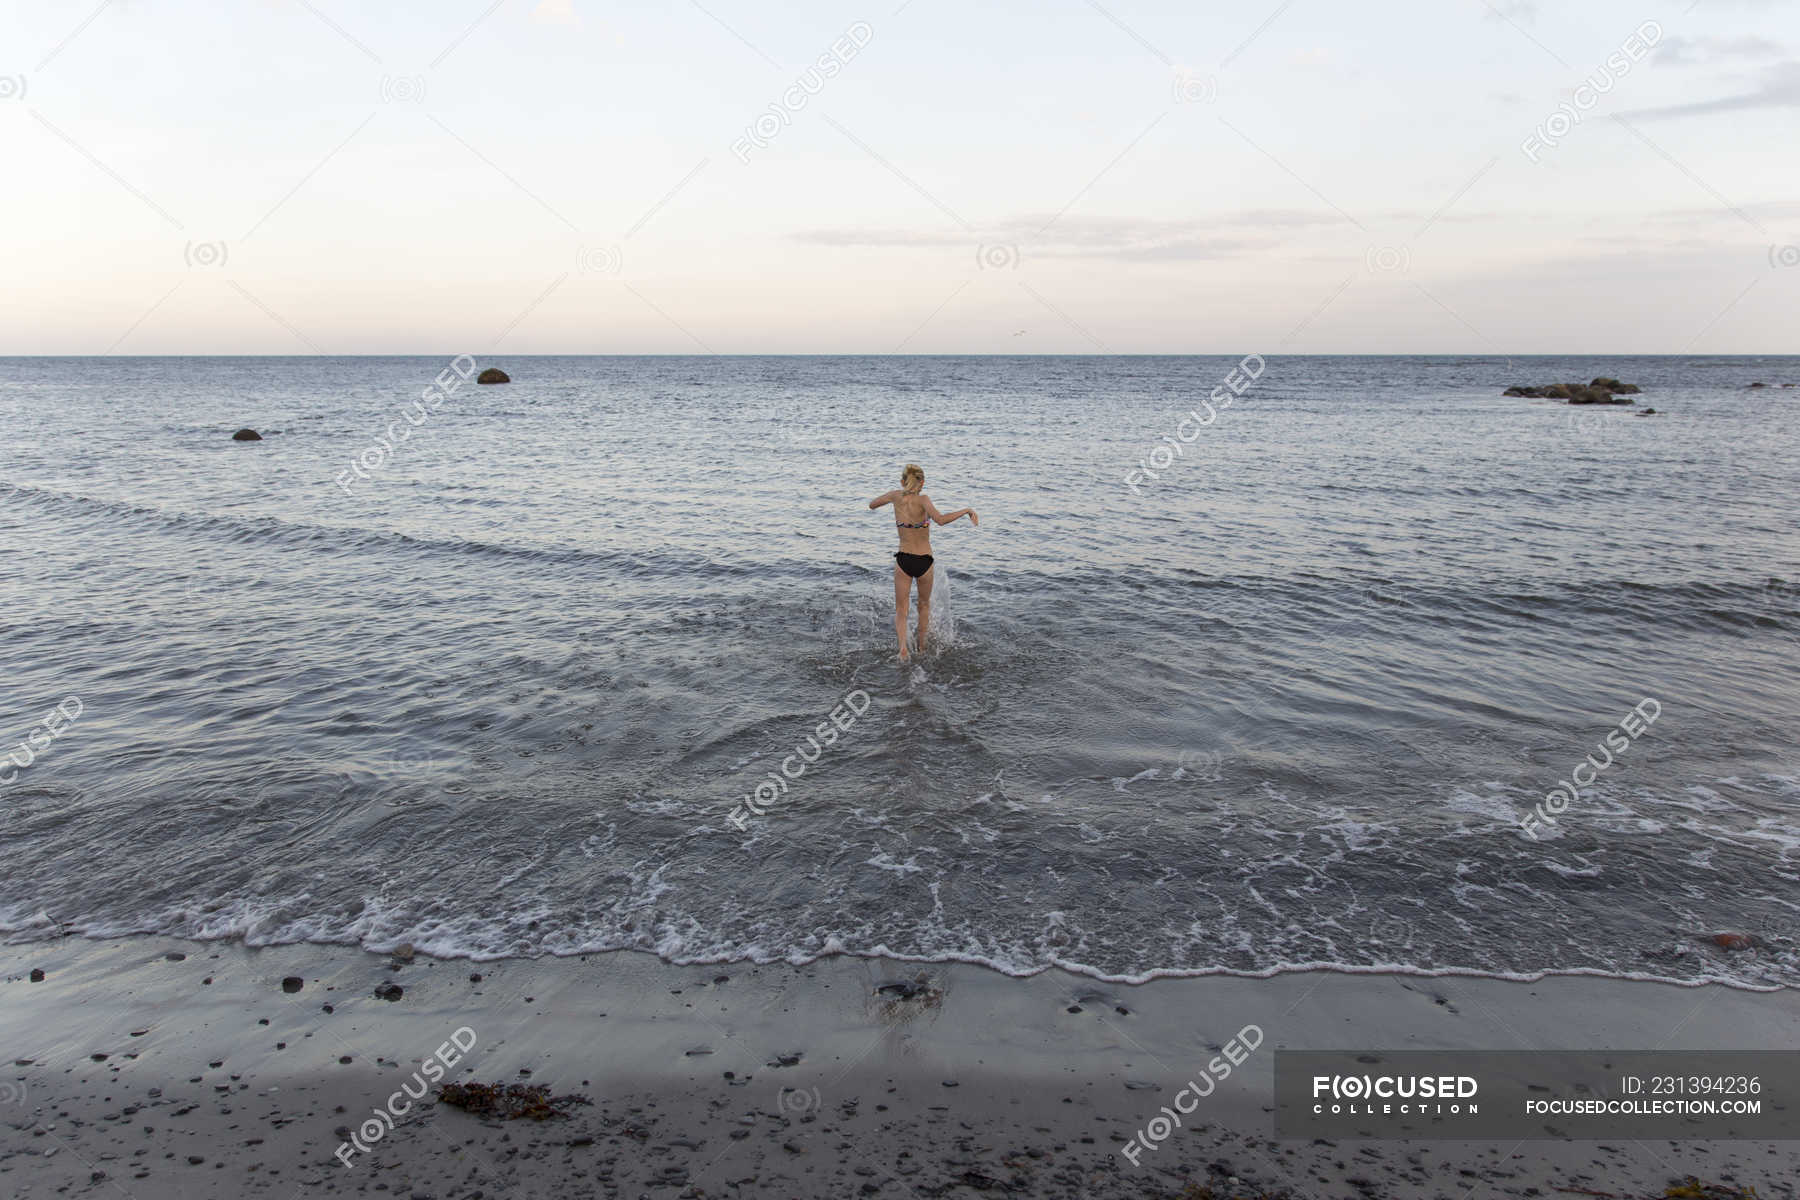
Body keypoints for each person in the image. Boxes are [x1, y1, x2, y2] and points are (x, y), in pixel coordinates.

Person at [868, 463, 978, 662]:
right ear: (923, 483)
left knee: (901, 610)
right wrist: (966, 510)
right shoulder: (924, 500)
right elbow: (941, 520)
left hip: (903, 560)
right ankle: (921, 647)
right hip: (924, 562)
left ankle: (903, 650)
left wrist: (895, 494)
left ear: (903, 482)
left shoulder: (895, 496)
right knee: (923, 606)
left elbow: (872, 504)